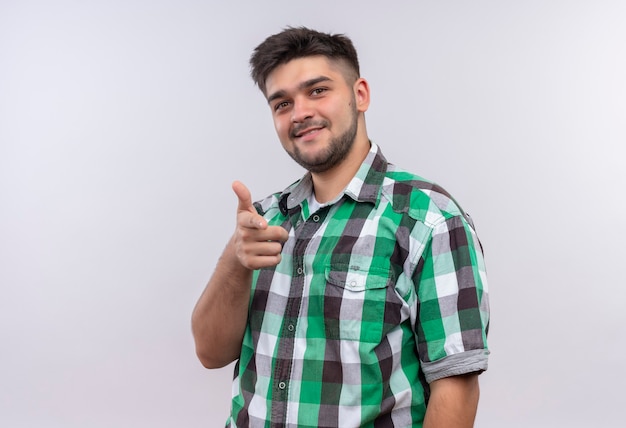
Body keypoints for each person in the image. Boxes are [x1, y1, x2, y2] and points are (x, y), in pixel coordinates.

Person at [192, 27, 490, 428]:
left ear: (360, 94)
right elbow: (210, 352)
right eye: (282, 103)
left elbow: (456, 387)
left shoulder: (428, 219)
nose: (299, 113)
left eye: (317, 91)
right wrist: (236, 258)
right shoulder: (265, 220)